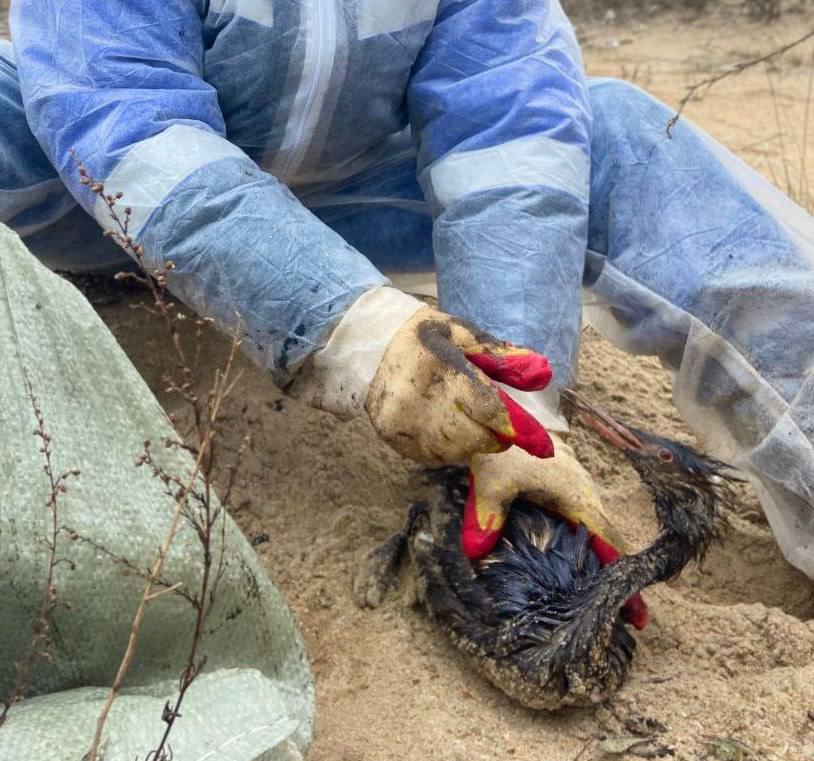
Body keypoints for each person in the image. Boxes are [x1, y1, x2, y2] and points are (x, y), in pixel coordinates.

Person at [2, 0, 814, 580]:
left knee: (622, 137)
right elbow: (127, 119)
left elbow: (507, 130)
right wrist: (353, 327)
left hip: (354, 187)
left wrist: (512, 411)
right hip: (70, 188)